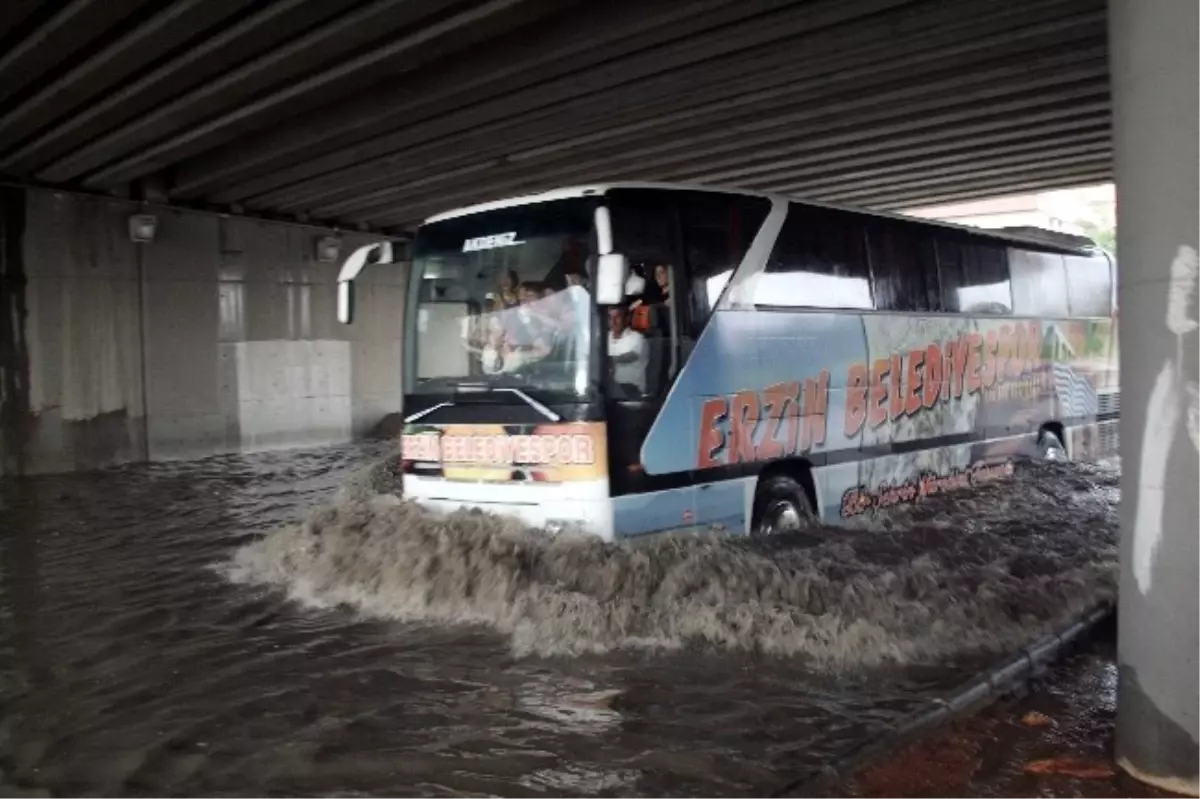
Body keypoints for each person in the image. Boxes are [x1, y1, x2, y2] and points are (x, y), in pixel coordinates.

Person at [607, 306, 649, 396]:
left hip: (631, 390)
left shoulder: (637, 338)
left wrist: (606, 360)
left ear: (626, 319)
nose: (613, 322)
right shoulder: (603, 338)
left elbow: (630, 356)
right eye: (610, 318)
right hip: (609, 388)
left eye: (617, 317)